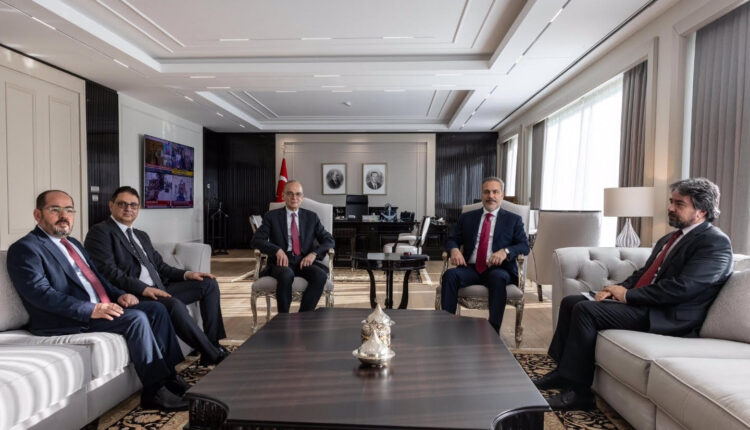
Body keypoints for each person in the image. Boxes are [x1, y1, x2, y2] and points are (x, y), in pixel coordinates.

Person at [534, 178, 733, 411]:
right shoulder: (671, 238)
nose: (670, 208)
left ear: (702, 211)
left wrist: (628, 296)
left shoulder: (715, 243)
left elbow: (683, 288)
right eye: (671, 202)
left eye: (679, 204)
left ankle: (579, 393)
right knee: (571, 301)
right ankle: (563, 372)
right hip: (647, 305)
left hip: (670, 316)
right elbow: (644, 273)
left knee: (586, 310)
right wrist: (613, 290)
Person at [7, 190, 190, 411]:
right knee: (136, 318)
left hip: (99, 306)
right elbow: (41, 294)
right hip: (63, 319)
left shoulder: (73, 243)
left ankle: (169, 376)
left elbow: (97, 278)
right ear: (38, 215)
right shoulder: (26, 248)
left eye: (69, 210)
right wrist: (91, 309)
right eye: (55, 210)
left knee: (157, 309)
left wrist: (118, 294)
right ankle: (155, 392)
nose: (64, 216)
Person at [84, 186, 228, 366]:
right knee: (173, 304)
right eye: (122, 204)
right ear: (111, 205)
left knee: (208, 284)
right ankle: (212, 354)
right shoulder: (100, 232)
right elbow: (108, 271)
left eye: (133, 205)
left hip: (160, 288)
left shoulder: (140, 235)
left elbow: (160, 266)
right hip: (134, 294)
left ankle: (213, 344)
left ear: (138, 209)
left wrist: (187, 274)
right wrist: (144, 289)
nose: (128, 209)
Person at [441, 177, 529, 333]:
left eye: (495, 192)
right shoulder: (467, 217)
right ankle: (446, 328)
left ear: (502, 195)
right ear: (481, 194)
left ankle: (493, 332)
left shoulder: (513, 220)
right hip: (471, 268)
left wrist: (505, 251)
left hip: (498, 269)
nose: (491, 196)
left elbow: (524, 246)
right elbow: (452, 239)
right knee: (449, 276)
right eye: (487, 192)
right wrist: (454, 250)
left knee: (497, 278)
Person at [251, 180, 335, 313]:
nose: (294, 197)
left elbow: (329, 240)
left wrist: (314, 254)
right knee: (286, 275)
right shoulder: (271, 216)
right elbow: (256, 240)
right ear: (283, 196)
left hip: (304, 261)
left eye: (298, 194)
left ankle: (304, 317)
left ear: (302, 197)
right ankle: (283, 319)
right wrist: (277, 250)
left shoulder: (311, 217)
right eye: (290, 193)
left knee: (320, 276)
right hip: (281, 263)